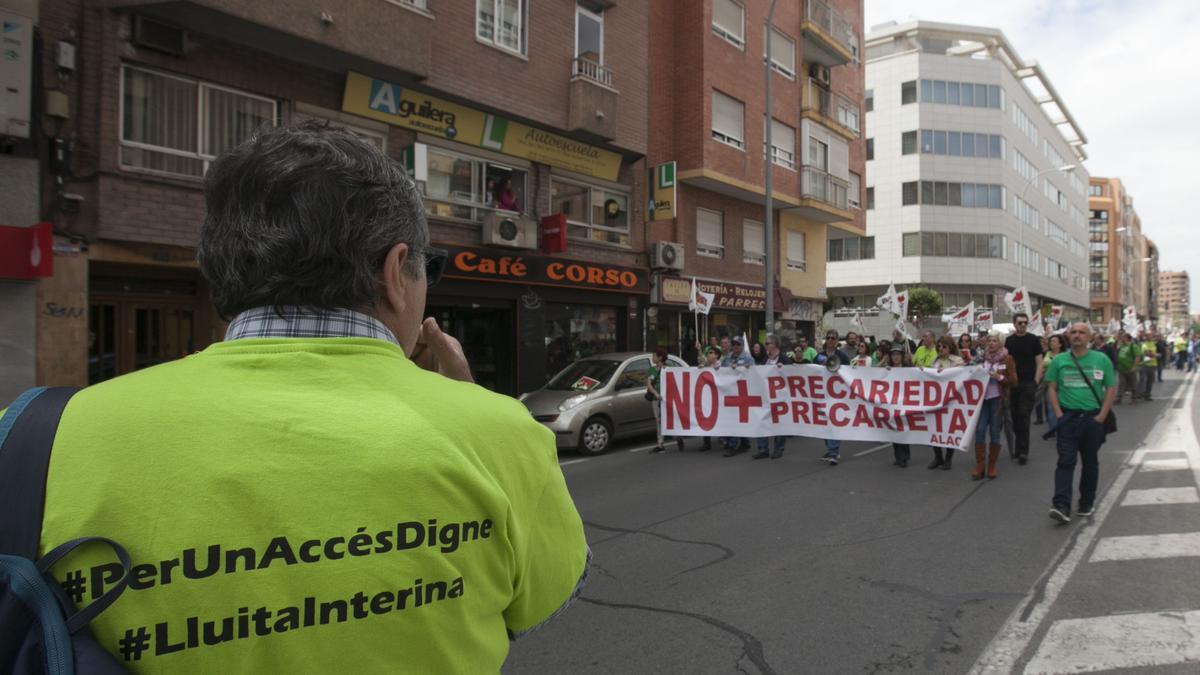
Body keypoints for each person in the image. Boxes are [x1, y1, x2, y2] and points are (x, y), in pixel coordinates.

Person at [6, 124, 589, 672]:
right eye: (424, 267)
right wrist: (473, 411)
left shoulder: (35, 435)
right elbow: (539, 599)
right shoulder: (502, 432)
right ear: (393, 272)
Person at [1046, 322, 1116, 524]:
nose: (1077, 335)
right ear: (1069, 336)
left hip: (1092, 420)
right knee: (1065, 462)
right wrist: (1059, 414)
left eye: (1081, 333)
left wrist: (1101, 416)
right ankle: (1061, 505)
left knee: (1090, 462)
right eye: (1074, 332)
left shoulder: (1101, 359)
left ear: (1089, 337)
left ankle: (1086, 502)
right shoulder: (1059, 360)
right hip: (1068, 419)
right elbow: (1051, 387)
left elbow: (1110, 388)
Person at [974, 332, 1017, 480]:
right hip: (983, 400)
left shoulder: (1007, 358)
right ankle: (980, 465)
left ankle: (992, 465)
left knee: (994, 432)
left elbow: (1014, 381)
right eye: (989, 341)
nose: (991, 343)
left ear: (1000, 343)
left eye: (995, 341)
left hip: (997, 399)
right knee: (979, 430)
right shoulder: (982, 358)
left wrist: (1000, 377)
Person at [1005, 312, 1044, 465]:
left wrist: (1035, 381)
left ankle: (1023, 451)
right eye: (1020, 323)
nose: (1022, 325)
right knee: (1014, 418)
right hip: (1013, 384)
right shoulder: (1009, 341)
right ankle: (1018, 446)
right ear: (1014, 324)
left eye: (1025, 323)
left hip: (1028, 383)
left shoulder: (1033, 340)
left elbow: (1039, 362)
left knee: (1024, 415)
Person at [924, 336, 965, 471]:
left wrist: (945, 373)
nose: (941, 349)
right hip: (936, 400)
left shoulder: (957, 361)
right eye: (939, 346)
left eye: (944, 346)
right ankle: (938, 457)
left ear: (950, 347)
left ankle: (948, 458)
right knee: (935, 428)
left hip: (952, 400)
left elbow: (961, 375)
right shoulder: (934, 361)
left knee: (949, 429)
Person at [752, 335, 792, 459]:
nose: (766, 346)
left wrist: (784, 369)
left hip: (780, 397)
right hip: (766, 396)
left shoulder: (784, 359)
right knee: (762, 421)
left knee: (779, 423)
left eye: (768, 343)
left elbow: (792, 376)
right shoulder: (765, 359)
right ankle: (763, 449)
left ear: (775, 345)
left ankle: (778, 448)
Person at [815, 330, 850, 465]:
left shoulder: (843, 356)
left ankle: (834, 452)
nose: (830, 340)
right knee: (824, 422)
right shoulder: (819, 356)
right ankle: (830, 449)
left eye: (833, 338)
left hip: (836, 394)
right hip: (822, 393)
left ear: (836, 341)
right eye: (828, 338)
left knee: (834, 421)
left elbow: (849, 373)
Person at [721, 336, 755, 457]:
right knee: (733, 418)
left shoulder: (747, 357)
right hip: (729, 391)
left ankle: (732, 445)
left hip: (742, 392)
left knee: (736, 418)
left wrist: (742, 369)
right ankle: (745, 442)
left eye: (738, 344)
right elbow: (721, 371)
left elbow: (753, 372)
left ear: (742, 346)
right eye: (734, 344)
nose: (735, 346)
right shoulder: (727, 358)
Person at [647, 348, 685, 454]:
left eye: (654, 356)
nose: (652, 358)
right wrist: (656, 394)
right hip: (656, 399)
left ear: (660, 357)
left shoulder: (670, 369)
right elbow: (649, 384)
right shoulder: (652, 370)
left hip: (668, 400)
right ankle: (660, 444)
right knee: (658, 421)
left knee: (670, 420)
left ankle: (677, 437)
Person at [885, 345, 912, 468]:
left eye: (898, 354)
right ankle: (897, 456)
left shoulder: (909, 369)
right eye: (893, 355)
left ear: (902, 356)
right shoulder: (887, 370)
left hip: (904, 404)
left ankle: (904, 457)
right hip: (891, 404)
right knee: (894, 430)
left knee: (903, 430)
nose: (896, 357)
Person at [1036, 334, 1066, 429]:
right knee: (1050, 406)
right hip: (1048, 384)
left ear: (1060, 344)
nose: (1051, 343)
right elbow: (1040, 366)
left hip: (1062, 384)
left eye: (1054, 341)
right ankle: (1053, 429)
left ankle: (1062, 426)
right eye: (1051, 341)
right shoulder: (1046, 353)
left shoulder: (1065, 355)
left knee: (1062, 406)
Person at [698, 345, 722, 451]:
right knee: (706, 417)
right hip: (708, 396)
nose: (709, 354)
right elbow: (701, 359)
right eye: (708, 353)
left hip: (719, 397)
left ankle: (725, 438)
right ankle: (706, 442)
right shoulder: (706, 366)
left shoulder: (721, 366)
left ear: (717, 355)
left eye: (711, 352)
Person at [1113, 331, 1140, 406]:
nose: (1121, 338)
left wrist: (1134, 367)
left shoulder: (1133, 346)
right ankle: (1118, 398)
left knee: (1133, 384)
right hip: (1121, 369)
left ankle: (1134, 398)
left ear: (1127, 338)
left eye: (1123, 337)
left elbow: (1137, 357)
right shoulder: (1122, 346)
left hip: (1130, 369)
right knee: (1121, 384)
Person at [1138, 331, 1158, 401]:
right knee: (1143, 380)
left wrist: (1155, 354)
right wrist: (1154, 355)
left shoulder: (1153, 344)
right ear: (1145, 337)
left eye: (1151, 336)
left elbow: (1153, 353)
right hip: (1145, 365)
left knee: (1150, 381)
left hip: (1153, 365)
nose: (1150, 337)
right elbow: (1147, 353)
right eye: (1148, 336)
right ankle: (1140, 394)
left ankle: (1147, 395)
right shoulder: (1144, 345)